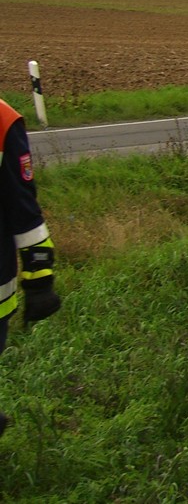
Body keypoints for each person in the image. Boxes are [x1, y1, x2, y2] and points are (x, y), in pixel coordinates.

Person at [0, 99, 61, 438]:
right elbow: (22, 207)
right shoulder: (2, 119)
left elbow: (22, 209)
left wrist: (39, 277)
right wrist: (40, 278)